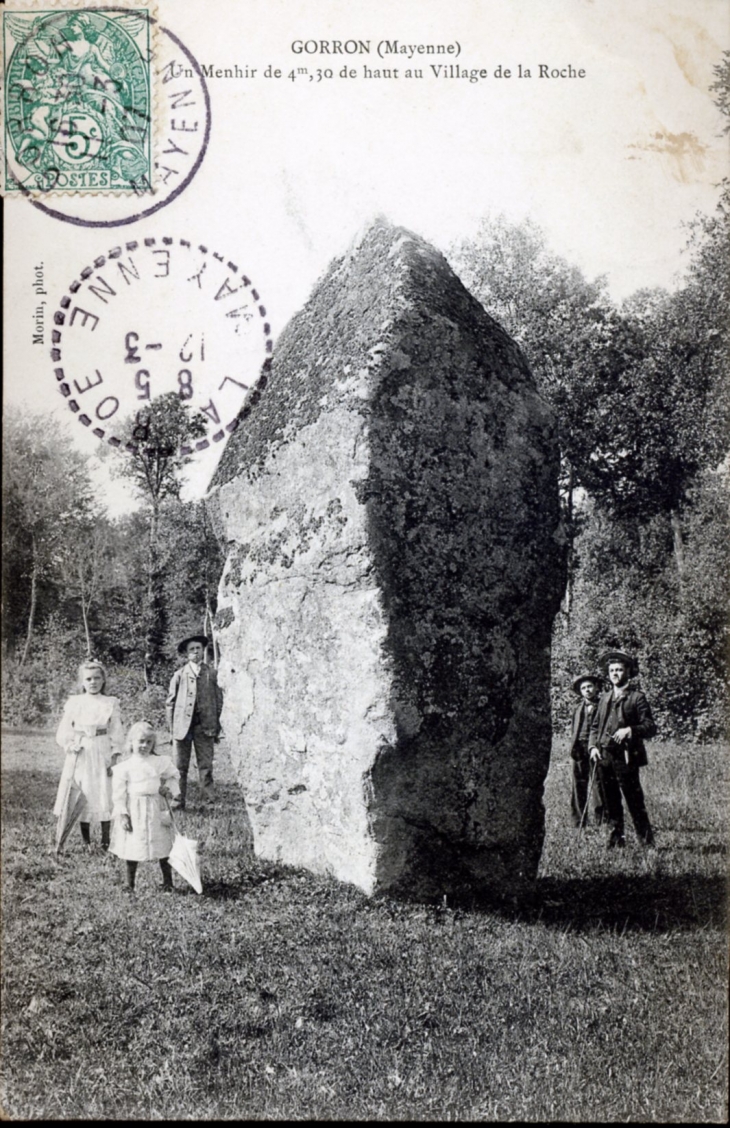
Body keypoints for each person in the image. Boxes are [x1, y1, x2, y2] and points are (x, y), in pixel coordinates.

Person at [589, 650, 657, 848]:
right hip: (603, 757)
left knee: (634, 801)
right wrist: (593, 746)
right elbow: (594, 727)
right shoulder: (603, 698)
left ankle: (646, 843)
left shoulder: (637, 698)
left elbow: (650, 727)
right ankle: (617, 839)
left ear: (628, 672)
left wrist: (630, 730)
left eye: (619, 670)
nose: (615, 673)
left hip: (626, 758)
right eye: (612, 670)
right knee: (610, 801)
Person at [54, 659, 124, 850]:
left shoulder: (110, 703)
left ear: (103, 680)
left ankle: (105, 839)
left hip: (102, 750)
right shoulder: (75, 702)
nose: (92, 682)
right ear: (82, 682)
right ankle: (86, 841)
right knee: (82, 793)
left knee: (104, 792)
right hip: (81, 750)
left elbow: (116, 731)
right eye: (88, 679)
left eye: (97, 678)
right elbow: (64, 730)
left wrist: (115, 756)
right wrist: (70, 744)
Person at [109, 721, 180, 894]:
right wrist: (123, 814)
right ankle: (129, 884)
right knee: (133, 845)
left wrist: (167, 789)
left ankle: (168, 882)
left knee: (162, 845)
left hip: (155, 807)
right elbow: (118, 794)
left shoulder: (159, 762)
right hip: (135, 808)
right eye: (140, 741)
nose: (144, 746)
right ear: (131, 742)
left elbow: (174, 776)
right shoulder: (125, 767)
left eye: (149, 742)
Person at [165, 635, 223, 811]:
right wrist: (171, 729)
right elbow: (170, 703)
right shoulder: (179, 675)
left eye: (198, 648)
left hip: (204, 727)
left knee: (205, 766)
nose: (196, 652)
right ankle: (178, 800)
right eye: (192, 650)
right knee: (179, 767)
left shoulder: (212, 674)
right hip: (182, 727)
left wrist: (216, 725)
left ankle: (209, 802)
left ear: (203, 650)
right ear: (186, 654)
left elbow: (219, 701)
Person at [568, 673, 604, 828]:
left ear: (596, 688)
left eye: (590, 686)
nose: (587, 690)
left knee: (599, 785)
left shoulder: (604, 705)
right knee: (578, 784)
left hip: (597, 748)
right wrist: (574, 746)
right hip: (580, 749)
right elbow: (574, 730)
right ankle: (578, 821)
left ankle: (601, 820)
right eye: (583, 688)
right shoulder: (577, 709)